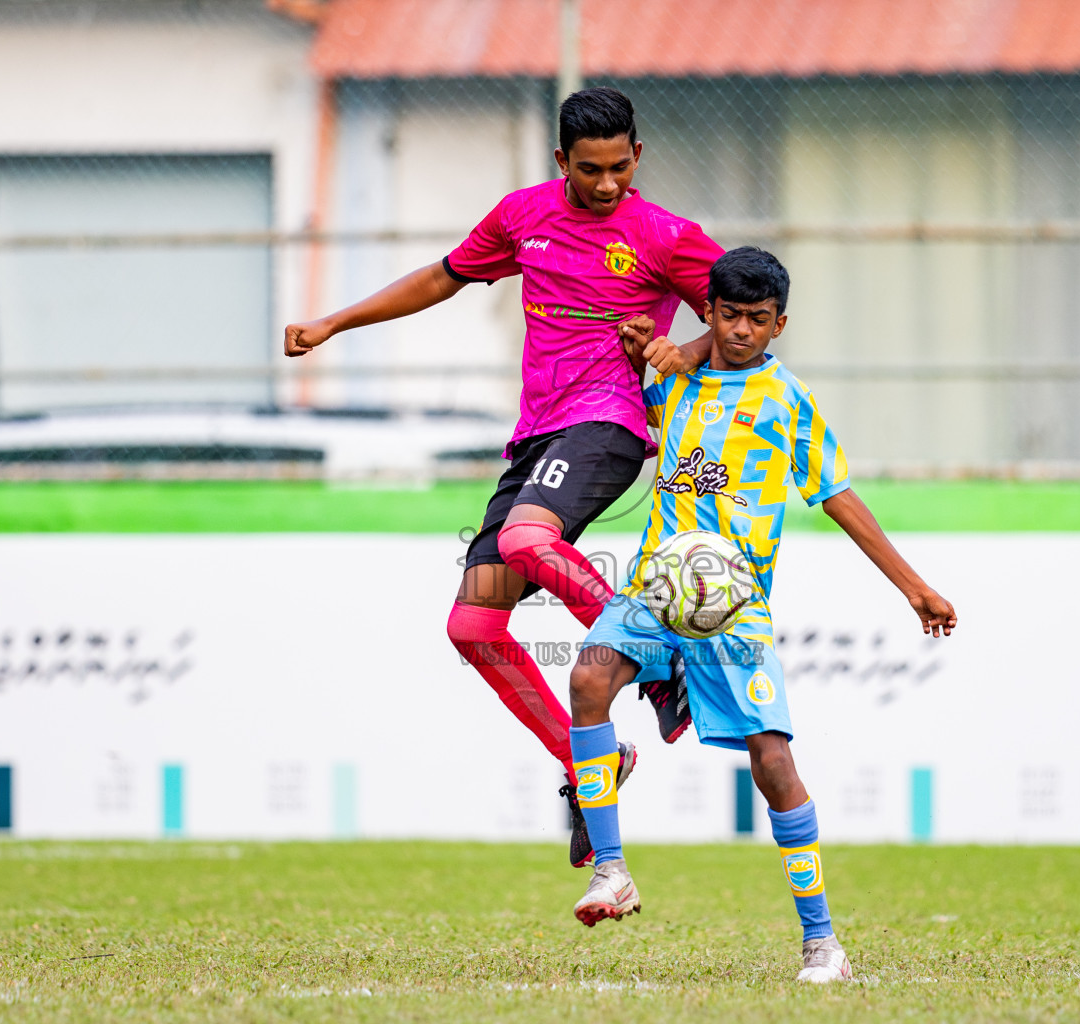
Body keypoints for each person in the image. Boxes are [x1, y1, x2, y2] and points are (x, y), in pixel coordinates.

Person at [282, 87, 725, 866]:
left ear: (638, 157)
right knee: (474, 625)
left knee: (527, 538)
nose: (608, 184)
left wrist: (675, 356)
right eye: (590, 170)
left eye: (621, 167)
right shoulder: (522, 216)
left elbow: (738, 313)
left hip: (609, 423)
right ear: (561, 162)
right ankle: (590, 762)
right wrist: (334, 323)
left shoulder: (664, 235)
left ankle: (656, 657)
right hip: (535, 436)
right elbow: (441, 276)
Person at [565, 247, 958, 983]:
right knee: (587, 680)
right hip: (658, 585)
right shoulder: (672, 382)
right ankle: (611, 871)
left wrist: (912, 586)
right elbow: (616, 422)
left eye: (758, 320)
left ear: (780, 324)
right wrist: (638, 347)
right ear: (706, 310)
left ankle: (823, 944)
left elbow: (838, 495)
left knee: (773, 761)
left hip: (733, 608)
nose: (741, 331)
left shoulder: (786, 402)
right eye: (729, 315)